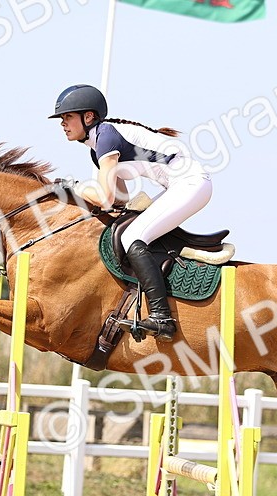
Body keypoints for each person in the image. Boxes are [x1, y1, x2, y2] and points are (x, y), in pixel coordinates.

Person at [49, 84, 212, 342]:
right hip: (179, 186)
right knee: (130, 227)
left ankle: (162, 317)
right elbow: (120, 199)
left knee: (132, 237)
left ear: (88, 117)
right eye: (62, 118)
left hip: (191, 183)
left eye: (68, 117)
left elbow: (104, 197)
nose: (63, 123)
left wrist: (73, 188)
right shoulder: (97, 147)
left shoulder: (106, 136)